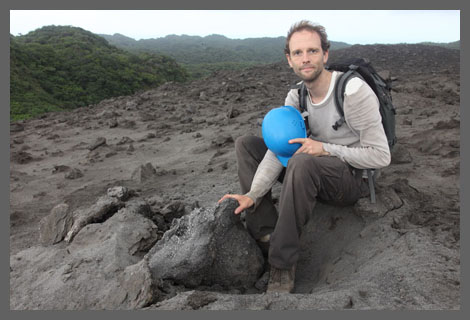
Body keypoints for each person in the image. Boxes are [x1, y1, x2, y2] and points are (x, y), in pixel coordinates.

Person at [218, 20, 391, 293]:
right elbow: (281, 150)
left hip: (349, 179)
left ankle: (282, 264)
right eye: (298, 53)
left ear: (325, 54)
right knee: (246, 145)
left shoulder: (352, 92)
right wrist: (253, 193)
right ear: (289, 60)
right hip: (308, 170)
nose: (305, 58)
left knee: (302, 160)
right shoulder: (296, 96)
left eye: (312, 51)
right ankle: (266, 233)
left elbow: (381, 156)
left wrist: (326, 149)